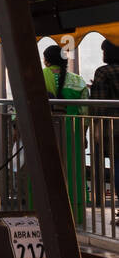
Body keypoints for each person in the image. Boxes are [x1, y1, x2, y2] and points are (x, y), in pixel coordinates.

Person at [43, 44, 89, 221]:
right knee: (73, 172)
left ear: (46, 60)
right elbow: (84, 111)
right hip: (72, 131)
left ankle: (44, 214)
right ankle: (75, 215)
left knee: (45, 172)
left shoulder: (37, 75)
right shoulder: (78, 80)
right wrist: (83, 134)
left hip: (45, 130)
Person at [91, 39, 119, 214]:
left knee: (118, 163)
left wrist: (96, 128)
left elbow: (98, 105)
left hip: (113, 126)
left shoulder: (103, 72)